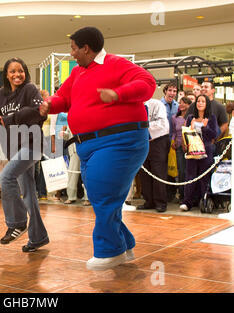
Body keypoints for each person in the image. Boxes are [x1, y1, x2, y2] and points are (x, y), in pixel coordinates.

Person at [40, 26, 156, 270]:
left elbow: (147, 83)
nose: (71, 53)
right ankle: (123, 244)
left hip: (120, 141)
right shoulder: (78, 73)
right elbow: (63, 99)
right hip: (89, 145)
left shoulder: (116, 63)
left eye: (73, 48)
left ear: (86, 48)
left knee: (104, 195)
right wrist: (48, 104)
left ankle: (109, 251)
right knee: (101, 196)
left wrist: (117, 94)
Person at [0, 57, 49, 253]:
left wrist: (11, 118)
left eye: (20, 71)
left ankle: (17, 222)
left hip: (32, 145)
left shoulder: (30, 89)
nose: (17, 75)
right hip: (14, 149)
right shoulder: (0, 96)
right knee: (30, 195)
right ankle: (38, 238)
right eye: (13, 71)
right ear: (6, 74)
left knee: (6, 177)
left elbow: (41, 112)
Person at [179, 94, 217, 211]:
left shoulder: (211, 117)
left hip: (206, 150)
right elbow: (185, 132)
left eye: (203, 101)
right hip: (192, 150)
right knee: (190, 176)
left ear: (207, 104)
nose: (200, 103)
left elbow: (213, 135)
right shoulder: (190, 117)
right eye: (198, 101)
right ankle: (187, 202)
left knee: (204, 176)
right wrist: (190, 127)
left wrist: (205, 127)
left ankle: (204, 200)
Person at [137, 99, 169, 213]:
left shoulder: (156, 104)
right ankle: (148, 201)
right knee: (144, 172)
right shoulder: (135, 105)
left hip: (158, 140)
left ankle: (160, 202)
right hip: (142, 140)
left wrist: (141, 126)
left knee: (158, 171)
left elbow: (161, 123)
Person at [172, 96, 192, 202]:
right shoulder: (175, 117)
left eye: (185, 103)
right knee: (181, 171)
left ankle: (190, 194)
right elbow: (174, 131)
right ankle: (181, 194)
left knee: (190, 171)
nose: (182, 105)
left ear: (189, 105)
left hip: (190, 146)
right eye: (180, 102)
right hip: (179, 146)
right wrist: (173, 140)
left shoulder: (191, 117)